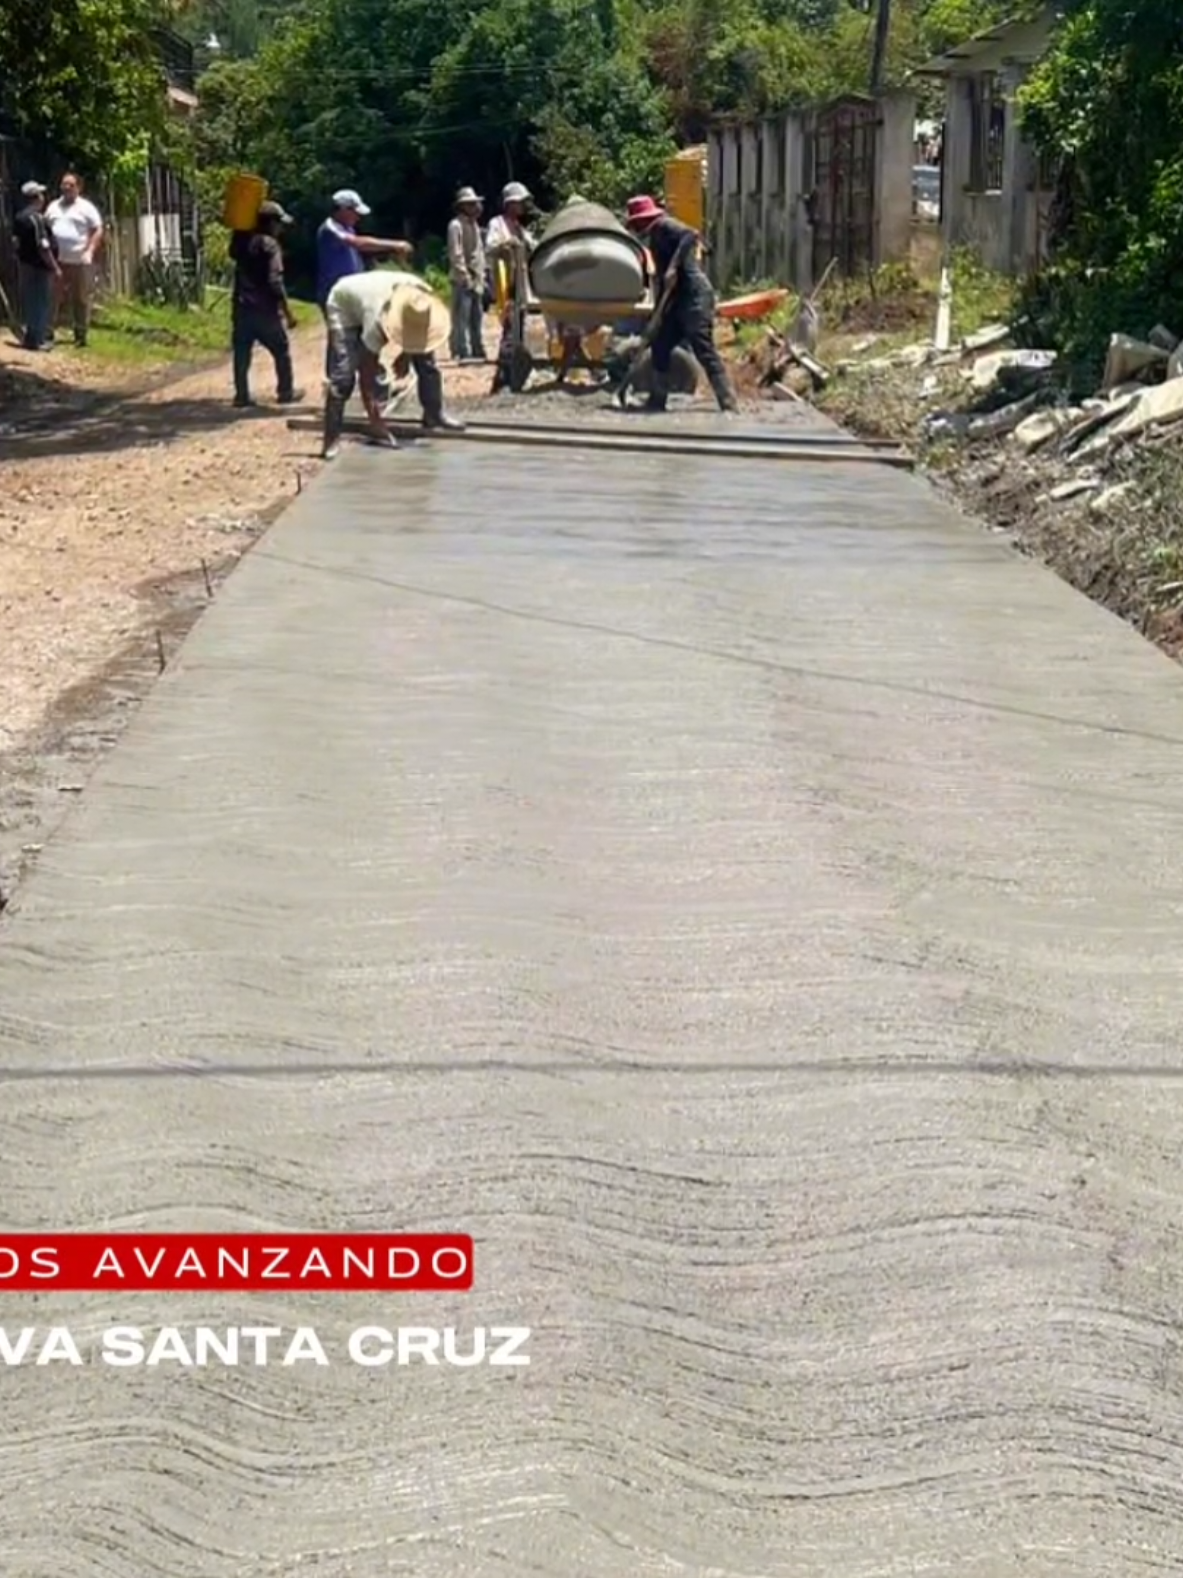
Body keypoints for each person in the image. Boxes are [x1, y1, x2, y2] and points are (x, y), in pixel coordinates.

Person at [321, 270, 463, 460]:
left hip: (372, 293)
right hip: (343, 305)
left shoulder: (421, 298)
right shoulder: (377, 319)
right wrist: (376, 421)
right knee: (343, 377)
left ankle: (434, 414)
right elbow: (366, 372)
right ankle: (331, 439)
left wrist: (406, 353)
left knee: (426, 362)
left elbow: (415, 332)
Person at [622, 194, 737, 414]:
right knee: (661, 344)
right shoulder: (654, 237)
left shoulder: (665, 225)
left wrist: (675, 266)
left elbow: (690, 235)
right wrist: (656, 316)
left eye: (636, 223)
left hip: (695, 296)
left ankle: (728, 402)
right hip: (676, 299)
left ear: (642, 220)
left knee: (703, 348)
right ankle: (657, 398)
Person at [228, 199, 304, 409]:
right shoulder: (270, 245)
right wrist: (287, 312)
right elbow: (275, 281)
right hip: (264, 310)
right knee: (281, 349)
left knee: (242, 352)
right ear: (271, 223)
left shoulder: (241, 242)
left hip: (241, 307)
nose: (281, 229)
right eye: (279, 224)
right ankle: (285, 391)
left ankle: (241, 395)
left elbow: (233, 253)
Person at [315, 188, 413, 333]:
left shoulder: (347, 228)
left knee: (357, 336)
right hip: (333, 293)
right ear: (343, 209)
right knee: (341, 339)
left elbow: (358, 251)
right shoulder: (331, 228)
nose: (358, 217)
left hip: (349, 292)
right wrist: (394, 245)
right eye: (355, 212)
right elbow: (357, 243)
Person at [485, 181, 537, 392]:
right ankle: (504, 377)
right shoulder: (497, 224)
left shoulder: (520, 229)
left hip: (520, 285)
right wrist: (507, 245)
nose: (523, 207)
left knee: (517, 331)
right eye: (520, 203)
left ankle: (512, 376)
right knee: (510, 330)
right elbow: (490, 245)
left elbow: (533, 246)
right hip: (506, 284)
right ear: (510, 204)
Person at [45, 172, 103, 348]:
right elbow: (46, 228)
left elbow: (98, 229)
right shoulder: (53, 207)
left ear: (78, 187)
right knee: (53, 297)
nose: (66, 188)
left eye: (70, 185)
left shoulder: (86, 208)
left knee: (80, 298)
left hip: (80, 260)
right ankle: (48, 334)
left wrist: (90, 250)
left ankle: (80, 335)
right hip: (57, 261)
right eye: (64, 184)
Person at [12, 180, 60, 351]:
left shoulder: (20, 217)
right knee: (41, 301)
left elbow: (16, 242)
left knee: (30, 300)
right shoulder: (36, 219)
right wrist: (54, 266)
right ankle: (37, 340)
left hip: (25, 265)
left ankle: (31, 335)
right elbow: (43, 246)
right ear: (36, 198)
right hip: (40, 266)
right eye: (40, 195)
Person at [446, 186, 487, 363]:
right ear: (463, 206)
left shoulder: (474, 225)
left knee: (476, 316)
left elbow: (478, 252)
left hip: (476, 276)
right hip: (461, 277)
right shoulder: (456, 225)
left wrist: (481, 275)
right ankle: (462, 350)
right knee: (461, 317)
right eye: (471, 204)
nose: (476, 207)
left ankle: (477, 348)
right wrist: (464, 275)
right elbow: (456, 253)